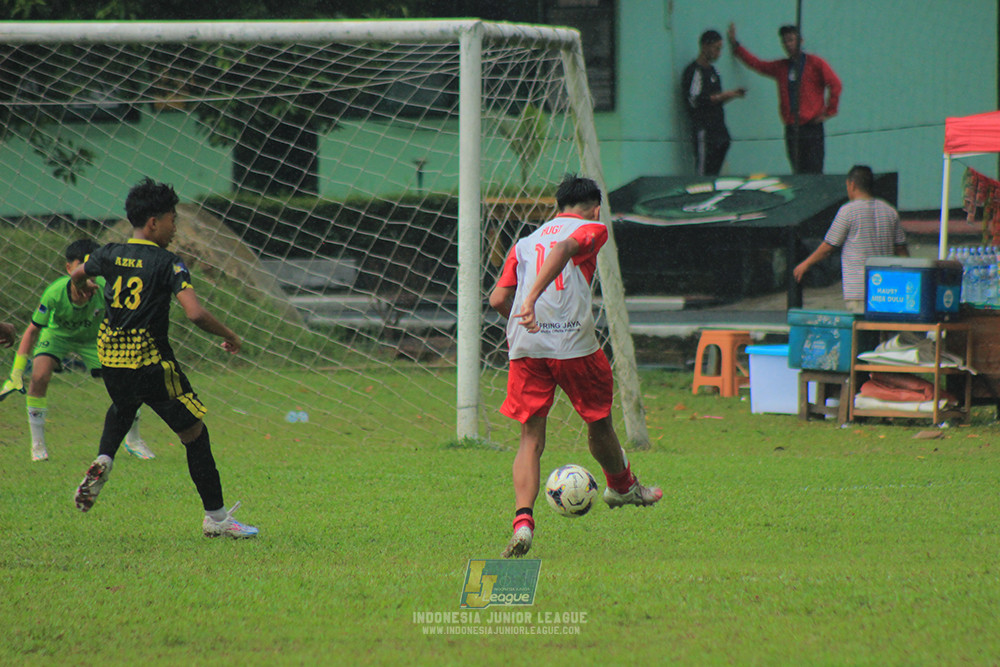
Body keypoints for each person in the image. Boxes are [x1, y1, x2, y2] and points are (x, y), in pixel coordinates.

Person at [70, 178, 258, 539]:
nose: (175, 228)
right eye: (173, 219)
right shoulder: (168, 263)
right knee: (194, 434)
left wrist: (84, 286)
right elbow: (195, 314)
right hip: (150, 359)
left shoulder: (107, 252)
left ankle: (104, 458)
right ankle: (217, 519)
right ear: (154, 222)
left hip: (111, 356)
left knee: (123, 406)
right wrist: (230, 335)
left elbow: (77, 275)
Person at [489, 174, 662, 559]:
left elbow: (498, 296)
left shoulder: (525, 242)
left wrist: (525, 317)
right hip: (573, 346)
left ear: (557, 206)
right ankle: (621, 486)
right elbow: (567, 246)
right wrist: (532, 300)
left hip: (527, 348)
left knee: (530, 437)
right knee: (598, 421)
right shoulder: (592, 228)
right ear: (595, 207)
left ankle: (522, 523)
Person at [0, 240, 154, 462]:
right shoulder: (54, 293)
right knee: (39, 376)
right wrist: (16, 373)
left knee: (123, 383)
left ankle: (133, 440)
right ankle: (38, 445)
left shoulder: (106, 288)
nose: (88, 272)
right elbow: (32, 331)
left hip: (93, 339)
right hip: (58, 336)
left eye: (93, 266)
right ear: (69, 268)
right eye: (82, 265)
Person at [727, 23, 841, 174]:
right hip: (792, 128)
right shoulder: (781, 67)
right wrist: (736, 46)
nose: (788, 45)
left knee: (814, 171)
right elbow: (758, 64)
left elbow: (835, 84)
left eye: (791, 40)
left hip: (811, 127)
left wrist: (829, 111)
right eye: (785, 41)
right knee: (798, 171)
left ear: (800, 41)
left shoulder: (815, 63)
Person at [793, 165, 909, 312]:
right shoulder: (890, 211)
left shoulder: (848, 211)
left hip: (859, 290)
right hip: (887, 290)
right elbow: (901, 249)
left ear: (852, 184)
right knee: (884, 332)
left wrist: (806, 263)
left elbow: (829, 246)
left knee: (861, 332)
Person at [681, 29, 746, 176]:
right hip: (704, 129)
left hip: (719, 130)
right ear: (705, 46)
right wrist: (724, 95)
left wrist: (733, 95)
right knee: (703, 172)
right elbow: (695, 100)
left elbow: (717, 101)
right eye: (716, 49)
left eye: (720, 49)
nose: (719, 53)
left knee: (715, 171)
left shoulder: (714, 72)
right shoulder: (694, 71)